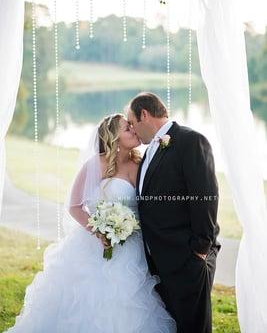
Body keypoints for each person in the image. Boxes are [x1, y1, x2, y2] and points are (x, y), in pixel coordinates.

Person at [5, 113, 176, 333]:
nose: (134, 130)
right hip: (96, 246)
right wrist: (99, 231)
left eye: (133, 127)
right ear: (114, 137)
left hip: (134, 246)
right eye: (127, 129)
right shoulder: (96, 164)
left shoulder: (141, 163)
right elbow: (75, 206)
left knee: (131, 299)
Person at [127, 92, 221, 333]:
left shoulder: (191, 141)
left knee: (193, 328)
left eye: (132, 122)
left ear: (144, 115)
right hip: (159, 261)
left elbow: (205, 196)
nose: (133, 130)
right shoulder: (149, 151)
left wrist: (200, 250)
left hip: (187, 259)